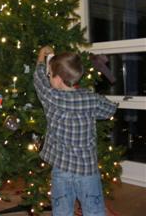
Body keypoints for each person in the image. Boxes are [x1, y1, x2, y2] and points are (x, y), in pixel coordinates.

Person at [33, 46, 118, 216]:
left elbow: (38, 80)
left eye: (50, 75)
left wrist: (41, 58)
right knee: (94, 211)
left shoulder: (52, 98)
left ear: (57, 80)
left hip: (62, 168)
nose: (48, 78)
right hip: (87, 169)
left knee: (62, 211)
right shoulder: (90, 99)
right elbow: (110, 110)